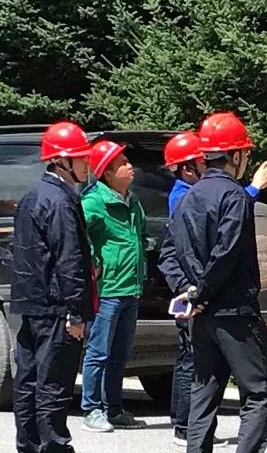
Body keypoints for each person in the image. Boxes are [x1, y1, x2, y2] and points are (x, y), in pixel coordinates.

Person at [159, 112, 267, 453]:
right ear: (235, 156)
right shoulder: (234, 196)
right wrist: (202, 293)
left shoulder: (188, 196)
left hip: (202, 316)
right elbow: (226, 253)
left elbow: (168, 253)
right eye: (246, 153)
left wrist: (188, 291)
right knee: (259, 392)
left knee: (204, 392)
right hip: (234, 311)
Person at [11, 121, 95, 453]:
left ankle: (28, 445)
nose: (87, 164)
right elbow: (69, 258)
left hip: (32, 304)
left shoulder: (32, 195)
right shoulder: (60, 200)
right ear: (61, 161)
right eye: (81, 157)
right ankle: (54, 446)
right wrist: (77, 312)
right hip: (57, 307)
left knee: (28, 381)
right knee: (54, 384)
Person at [80, 140, 147, 432]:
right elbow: (77, 237)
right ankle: (91, 409)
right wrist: (93, 264)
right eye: (122, 163)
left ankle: (114, 409)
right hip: (107, 290)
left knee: (120, 355)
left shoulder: (133, 201)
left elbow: (140, 236)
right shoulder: (94, 201)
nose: (130, 166)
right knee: (98, 353)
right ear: (107, 173)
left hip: (130, 288)